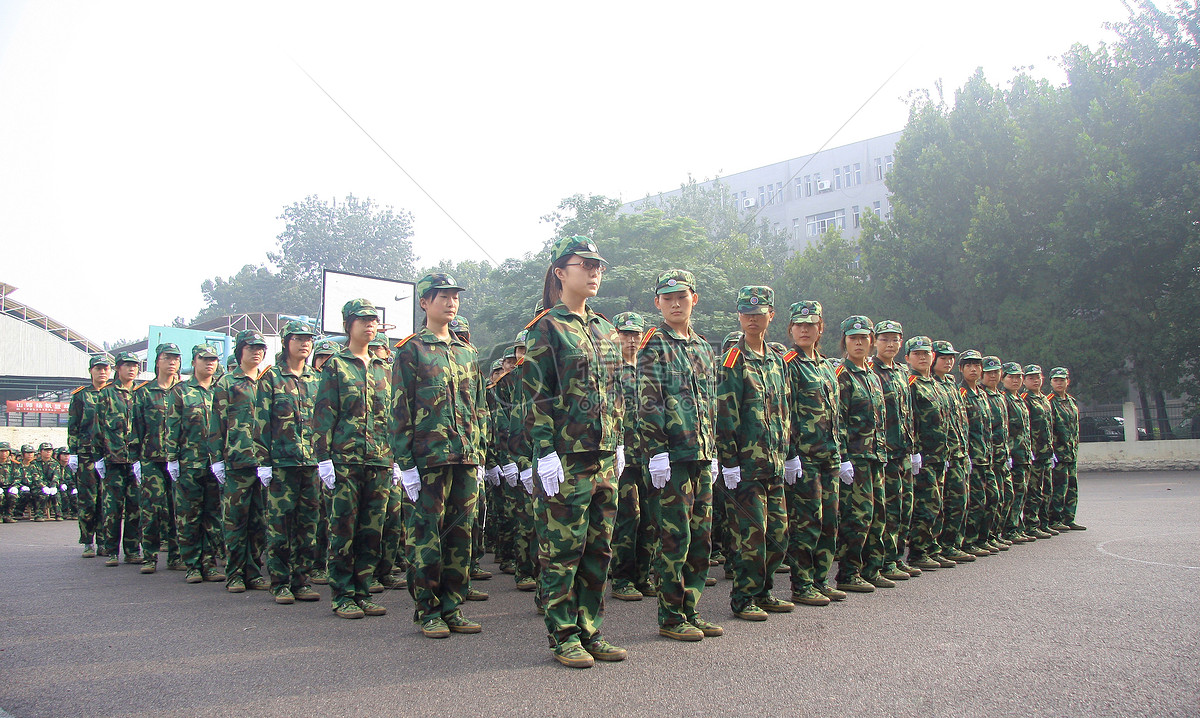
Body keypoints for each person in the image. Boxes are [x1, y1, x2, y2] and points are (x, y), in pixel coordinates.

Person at [522, 235, 626, 668]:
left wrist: (618, 442)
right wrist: (544, 451)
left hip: (603, 458)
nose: (594, 271)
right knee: (562, 551)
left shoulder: (604, 328)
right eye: (585, 265)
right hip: (566, 459)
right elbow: (536, 396)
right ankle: (563, 635)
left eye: (598, 265)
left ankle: (590, 630)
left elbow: (614, 389)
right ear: (561, 273)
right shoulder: (546, 328)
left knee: (599, 549)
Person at [392, 273, 487, 637]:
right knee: (426, 536)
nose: (451, 303)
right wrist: (405, 465)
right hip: (428, 460)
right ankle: (428, 610)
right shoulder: (411, 350)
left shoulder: (467, 352)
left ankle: (453, 605)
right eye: (443, 297)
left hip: (464, 457)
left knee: (460, 535)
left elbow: (478, 408)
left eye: (454, 297)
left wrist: (479, 454)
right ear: (425, 303)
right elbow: (399, 411)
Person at [639, 271, 723, 640]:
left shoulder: (704, 347)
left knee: (701, 537)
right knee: (675, 537)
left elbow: (711, 404)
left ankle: (691, 607)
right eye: (667, 298)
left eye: (682, 297)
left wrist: (715, 450)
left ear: (695, 299)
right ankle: (671, 616)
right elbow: (647, 402)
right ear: (657, 303)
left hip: (702, 454)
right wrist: (656, 451)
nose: (675, 303)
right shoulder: (652, 345)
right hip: (672, 457)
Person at [716, 286, 794, 619]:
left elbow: (785, 410)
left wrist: (789, 455)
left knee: (778, 533)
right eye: (746, 314)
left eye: (758, 314)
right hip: (746, 466)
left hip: (774, 463)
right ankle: (744, 597)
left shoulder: (777, 359)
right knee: (751, 534)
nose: (752, 319)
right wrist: (729, 462)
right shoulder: (734, 360)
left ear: (770, 316)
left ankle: (763, 591)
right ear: (739, 317)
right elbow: (725, 413)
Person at [313, 299, 393, 619]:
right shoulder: (336, 365)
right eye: (362, 320)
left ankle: (363, 589)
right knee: (344, 529)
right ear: (348, 325)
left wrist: (397, 457)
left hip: (380, 460)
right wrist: (323, 458)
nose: (370, 325)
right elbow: (323, 414)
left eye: (374, 320)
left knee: (372, 531)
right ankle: (342, 594)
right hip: (345, 459)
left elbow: (393, 416)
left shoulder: (384, 367)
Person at [780, 301, 846, 606]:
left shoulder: (827, 366)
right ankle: (802, 583)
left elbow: (836, 414)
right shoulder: (788, 364)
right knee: (806, 521)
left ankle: (821, 579)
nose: (805, 330)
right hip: (804, 458)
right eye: (799, 325)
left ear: (821, 328)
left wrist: (842, 453)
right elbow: (785, 414)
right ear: (791, 329)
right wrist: (790, 454)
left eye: (811, 325)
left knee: (830, 521)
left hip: (829, 456)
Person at [257, 321, 323, 605]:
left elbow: (324, 421)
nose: (304, 344)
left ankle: (302, 579)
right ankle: (280, 582)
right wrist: (263, 462)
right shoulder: (271, 378)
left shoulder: (317, 378)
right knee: (280, 524)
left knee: (308, 524)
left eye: (308, 339)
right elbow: (260, 422)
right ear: (286, 342)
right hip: (282, 463)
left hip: (311, 463)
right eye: (298, 339)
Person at [833, 316, 887, 593]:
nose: (858, 342)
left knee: (877, 514)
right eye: (853, 338)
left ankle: (871, 568)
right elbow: (837, 420)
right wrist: (843, 458)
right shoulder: (842, 376)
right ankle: (849, 571)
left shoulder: (872, 375)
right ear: (844, 341)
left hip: (875, 456)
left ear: (871, 341)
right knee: (858, 516)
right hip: (855, 458)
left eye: (864, 338)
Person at [167, 344, 225, 584]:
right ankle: (192, 564)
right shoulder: (181, 391)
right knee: (189, 516)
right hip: (190, 463)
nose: (209, 364)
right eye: (204, 359)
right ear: (194, 362)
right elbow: (172, 427)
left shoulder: (221, 389)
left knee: (213, 515)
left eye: (213, 360)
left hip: (216, 464)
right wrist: (172, 458)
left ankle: (210, 563)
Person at [610, 310, 653, 603]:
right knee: (628, 516)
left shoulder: (651, 370)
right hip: (623, 455)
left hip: (650, 455)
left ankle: (643, 575)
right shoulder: (610, 369)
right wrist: (615, 446)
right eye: (625, 334)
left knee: (651, 518)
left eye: (635, 334)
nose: (631, 339)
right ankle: (622, 577)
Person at [869, 319, 916, 586]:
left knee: (901, 507)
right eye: (884, 339)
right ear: (877, 342)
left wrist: (912, 448)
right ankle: (880, 562)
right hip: (881, 452)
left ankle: (895, 558)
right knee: (882, 511)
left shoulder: (900, 372)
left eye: (894, 339)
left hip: (901, 451)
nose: (890, 344)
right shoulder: (871, 370)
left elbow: (906, 413)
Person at [904, 336, 954, 569]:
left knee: (937, 503)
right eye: (917, 354)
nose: (923, 357)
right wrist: (914, 452)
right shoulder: (911, 384)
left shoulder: (936, 385)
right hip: (923, 455)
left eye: (927, 354)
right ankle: (918, 551)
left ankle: (932, 546)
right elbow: (909, 421)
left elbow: (948, 421)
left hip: (939, 455)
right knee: (925, 504)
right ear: (908, 358)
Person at [133, 343, 183, 574]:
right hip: (151, 459)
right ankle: (149, 556)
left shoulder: (184, 390)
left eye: (176, 358)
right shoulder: (143, 392)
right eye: (167, 358)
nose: (172, 362)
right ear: (157, 361)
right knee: (152, 509)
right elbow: (136, 428)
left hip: (178, 459)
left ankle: (176, 555)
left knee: (177, 508)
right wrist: (135, 460)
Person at [96, 351, 143, 566]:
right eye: (127, 365)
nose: (131, 369)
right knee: (112, 508)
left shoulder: (142, 392)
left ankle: (133, 550)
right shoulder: (106, 394)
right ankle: (111, 550)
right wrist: (98, 457)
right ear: (117, 368)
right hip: (113, 460)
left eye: (134, 365)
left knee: (135, 507)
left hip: (135, 461)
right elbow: (97, 428)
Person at [67, 355, 114, 554]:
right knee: (88, 498)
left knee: (106, 498)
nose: (102, 372)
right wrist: (73, 452)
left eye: (105, 368)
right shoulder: (80, 395)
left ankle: (104, 541)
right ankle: (88, 540)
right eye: (98, 368)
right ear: (90, 371)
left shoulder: (114, 393)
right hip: (86, 454)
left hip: (109, 453)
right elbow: (73, 426)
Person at [932, 341, 973, 563]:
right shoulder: (926, 383)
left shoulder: (950, 384)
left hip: (956, 452)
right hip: (937, 455)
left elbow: (958, 421)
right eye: (943, 357)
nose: (948, 361)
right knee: (936, 504)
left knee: (958, 501)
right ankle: (933, 547)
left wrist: (964, 450)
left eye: (950, 358)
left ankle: (951, 544)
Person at [958, 350, 998, 557]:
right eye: (969, 365)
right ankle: (969, 541)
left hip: (985, 456)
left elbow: (987, 428)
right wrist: (966, 455)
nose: (974, 369)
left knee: (992, 497)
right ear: (962, 369)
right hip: (971, 457)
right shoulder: (962, 394)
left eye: (977, 365)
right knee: (974, 501)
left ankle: (984, 537)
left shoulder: (982, 394)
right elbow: (961, 427)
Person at [981, 356, 1012, 550]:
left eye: (996, 372)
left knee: (1004, 495)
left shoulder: (1000, 396)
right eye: (989, 372)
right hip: (983, 456)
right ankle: (981, 538)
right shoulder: (979, 394)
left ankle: (994, 534)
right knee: (988, 498)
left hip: (1000, 455)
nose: (993, 376)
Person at [1048, 367, 1085, 531]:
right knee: (1058, 487)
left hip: (1071, 452)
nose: (1059, 383)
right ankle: (1055, 519)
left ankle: (1069, 518)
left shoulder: (1071, 401)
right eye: (1056, 380)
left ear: (1067, 382)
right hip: (1058, 453)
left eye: (1062, 380)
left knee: (1071, 486)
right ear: (1050, 382)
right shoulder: (1049, 401)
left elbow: (1075, 427)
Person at [1021, 365, 1057, 538]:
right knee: (1033, 491)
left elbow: (1049, 427)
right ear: (1024, 380)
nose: (1035, 380)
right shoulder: (1025, 399)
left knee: (1046, 489)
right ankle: (1031, 524)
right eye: (1031, 378)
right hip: (1034, 453)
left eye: (1037, 377)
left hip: (1046, 452)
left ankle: (1044, 522)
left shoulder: (1043, 399)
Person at [1001, 362, 1035, 543]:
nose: (1015, 380)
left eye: (1018, 377)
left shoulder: (1019, 399)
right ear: (1003, 378)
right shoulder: (1004, 399)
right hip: (1012, 455)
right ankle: (1009, 528)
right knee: (1011, 494)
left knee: (1022, 492)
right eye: (1011, 377)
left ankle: (1017, 526)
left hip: (1023, 454)